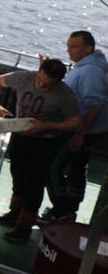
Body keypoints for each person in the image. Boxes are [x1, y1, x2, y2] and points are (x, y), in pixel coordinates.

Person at [0, 59, 82, 244]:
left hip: (46, 142)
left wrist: (46, 125)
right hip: (21, 134)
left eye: (47, 84)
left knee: (35, 182)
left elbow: (76, 122)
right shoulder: (25, 77)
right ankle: (14, 214)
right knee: (17, 173)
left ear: (58, 81)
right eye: (40, 80)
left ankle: (24, 226)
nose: (41, 85)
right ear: (38, 71)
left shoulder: (65, 94)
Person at [42, 31, 108, 222]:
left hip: (80, 130)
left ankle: (63, 211)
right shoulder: (91, 67)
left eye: (74, 46)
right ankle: (71, 208)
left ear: (88, 49)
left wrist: (80, 134)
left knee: (52, 169)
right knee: (77, 167)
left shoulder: (90, 72)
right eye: (68, 45)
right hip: (87, 129)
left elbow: (96, 105)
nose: (68, 50)